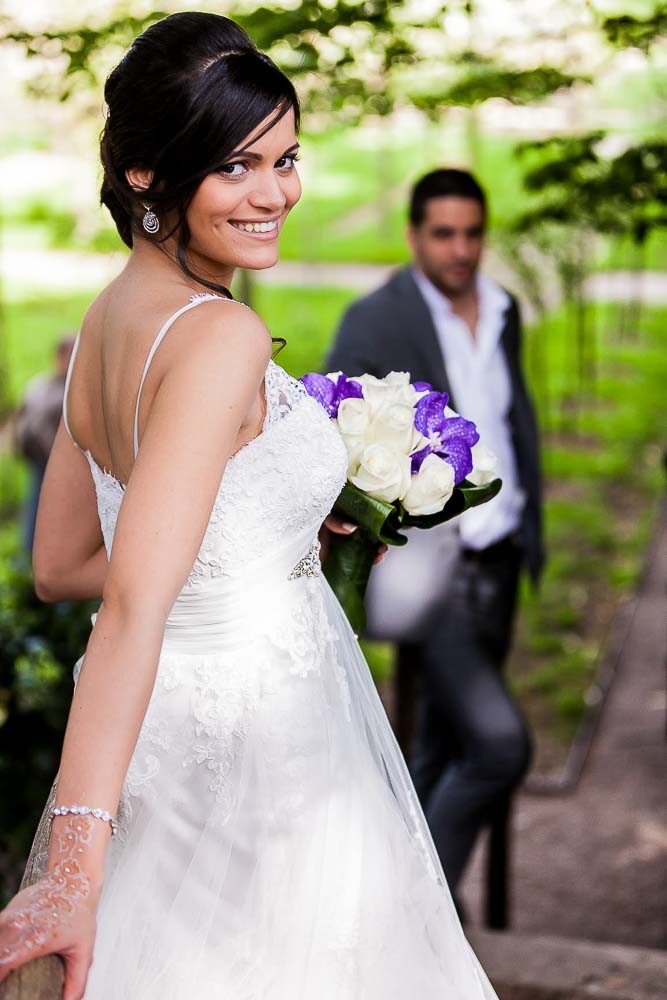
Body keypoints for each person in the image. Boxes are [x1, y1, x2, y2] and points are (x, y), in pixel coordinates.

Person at [0, 16, 499, 1000]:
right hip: (261, 748)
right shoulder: (220, 334)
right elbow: (134, 601)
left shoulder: (106, 315)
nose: (276, 193)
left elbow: (60, 563)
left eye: (286, 157)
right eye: (236, 165)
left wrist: (259, 534)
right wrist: (71, 870)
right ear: (147, 173)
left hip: (164, 733)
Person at [327, 168, 544, 910]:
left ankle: (380, 905)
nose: (460, 249)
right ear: (415, 235)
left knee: (443, 747)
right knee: (497, 744)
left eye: (472, 233)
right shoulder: (372, 319)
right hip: (432, 573)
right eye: (443, 233)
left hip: (500, 558)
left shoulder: (504, 309)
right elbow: (334, 446)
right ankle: (420, 911)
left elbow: (513, 421)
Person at [15, 335, 76, 553]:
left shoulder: (44, 386)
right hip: (43, 458)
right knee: (38, 505)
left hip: (49, 458)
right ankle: (31, 552)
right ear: (59, 357)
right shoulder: (50, 389)